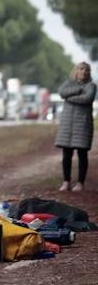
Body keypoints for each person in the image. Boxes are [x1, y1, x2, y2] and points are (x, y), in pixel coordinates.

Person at [55, 62, 96, 192]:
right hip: (67, 126)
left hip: (83, 125)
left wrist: (69, 98)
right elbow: (62, 92)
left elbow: (87, 98)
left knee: (82, 154)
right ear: (76, 71)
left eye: (86, 70)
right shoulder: (68, 83)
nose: (83, 72)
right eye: (81, 69)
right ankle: (66, 181)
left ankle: (80, 183)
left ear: (88, 72)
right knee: (66, 155)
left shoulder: (91, 86)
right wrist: (78, 90)